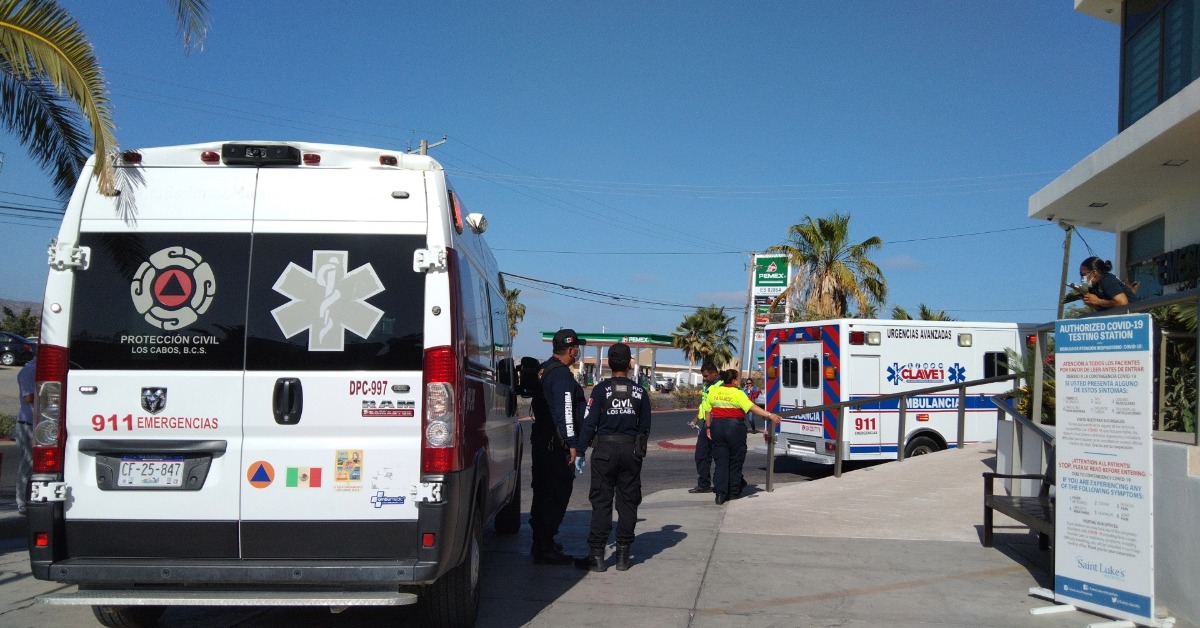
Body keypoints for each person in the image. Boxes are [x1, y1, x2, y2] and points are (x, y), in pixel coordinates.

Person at [573, 342, 651, 572]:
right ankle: (623, 555)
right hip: (630, 451)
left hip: (604, 451)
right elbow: (645, 427)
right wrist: (638, 450)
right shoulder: (640, 393)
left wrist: (580, 451)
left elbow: (589, 423)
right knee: (628, 502)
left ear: (609, 363)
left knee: (601, 502)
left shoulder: (600, 390)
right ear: (629, 364)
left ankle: (597, 556)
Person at [528, 328, 587, 565]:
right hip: (555, 447)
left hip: (543, 441)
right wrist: (572, 443)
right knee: (556, 494)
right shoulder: (561, 375)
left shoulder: (545, 368)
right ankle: (544, 547)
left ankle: (542, 542)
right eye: (577, 347)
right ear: (571, 350)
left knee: (543, 493)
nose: (578, 351)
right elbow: (566, 412)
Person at [701, 369, 780, 505]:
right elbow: (751, 407)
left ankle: (720, 494)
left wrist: (708, 428)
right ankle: (733, 491)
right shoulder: (738, 393)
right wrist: (770, 415)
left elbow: (708, 411)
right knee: (736, 460)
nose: (740, 381)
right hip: (734, 428)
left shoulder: (714, 392)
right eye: (738, 379)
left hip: (717, 427)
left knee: (721, 462)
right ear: (733, 381)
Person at [687, 361, 721, 494]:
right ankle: (704, 484)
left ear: (715, 374)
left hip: (716, 424)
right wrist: (696, 419)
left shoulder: (721, 386)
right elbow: (704, 405)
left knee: (720, 456)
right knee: (701, 455)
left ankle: (722, 484)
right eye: (703, 376)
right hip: (706, 424)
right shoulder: (708, 385)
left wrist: (710, 426)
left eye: (706, 376)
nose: (704, 378)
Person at [15, 355, 36, 516]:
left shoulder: (32, 369)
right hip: (27, 423)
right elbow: (28, 397)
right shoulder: (30, 370)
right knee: (27, 464)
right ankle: (22, 503)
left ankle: (29, 499)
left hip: (33, 423)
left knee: (33, 464)